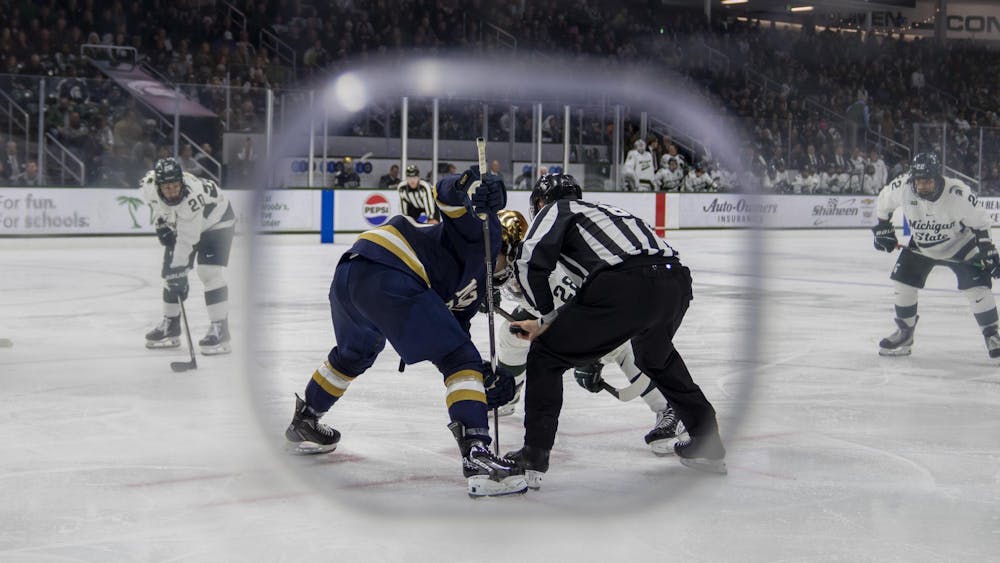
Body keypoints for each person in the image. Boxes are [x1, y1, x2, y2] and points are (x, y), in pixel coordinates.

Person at [283, 166, 528, 498]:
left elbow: (451, 331)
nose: (511, 273)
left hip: (352, 272)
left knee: (354, 355)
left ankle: (306, 420)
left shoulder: (474, 286)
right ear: (508, 248)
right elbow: (446, 195)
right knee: (459, 359)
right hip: (393, 268)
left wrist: (482, 376)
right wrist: (468, 186)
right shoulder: (486, 232)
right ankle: (477, 455)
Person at [504, 174, 727, 488]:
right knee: (657, 359)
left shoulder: (557, 209)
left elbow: (530, 263)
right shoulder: (607, 212)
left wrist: (545, 320)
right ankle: (707, 442)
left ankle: (533, 458)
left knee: (546, 355)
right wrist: (585, 345)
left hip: (626, 285)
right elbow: (594, 303)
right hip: (674, 282)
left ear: (541, 202)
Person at [489, 209, 687, 455]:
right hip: (572, 308)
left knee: (621, 346)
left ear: (511, 250)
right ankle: (509, 392)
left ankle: (669, 407)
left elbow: (581, 319)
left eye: (492, 255)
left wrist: (588, 358)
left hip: (602, 310)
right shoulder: (519, 262)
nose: (486, 263)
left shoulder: (548, 272)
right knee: (512, 332)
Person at [872, 152, 1000, 359]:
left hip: (960, 245)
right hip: (922, 246)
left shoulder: (958, 194)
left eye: (927, 181)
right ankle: (905, 333)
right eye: (918, 182)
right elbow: (883, 202)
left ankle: (992, 334)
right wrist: (883, 226)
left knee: (977, 288)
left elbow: (981, 223)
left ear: (938, 178)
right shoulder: (903, 186)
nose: (922, 187)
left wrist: (988, 249)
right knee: (902, 283)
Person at [141, 157, 236, 355]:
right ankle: (171, 325)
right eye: (167, 188)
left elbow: (187, 241)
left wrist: (179, 273)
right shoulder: (149, 187)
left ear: (182, 182)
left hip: (217, 221)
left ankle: (220, 329)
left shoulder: (191, 200)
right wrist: (162, 222)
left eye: (176, 186)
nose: (173, 192)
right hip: (187, 224)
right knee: (170, 273)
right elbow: (158, 206)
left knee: (208, 272)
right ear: (158, 187)